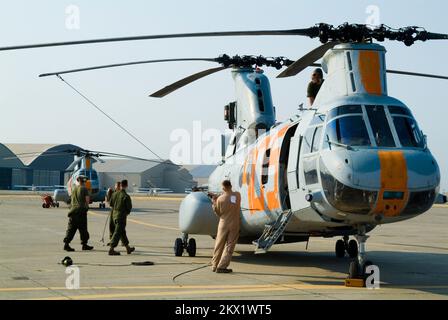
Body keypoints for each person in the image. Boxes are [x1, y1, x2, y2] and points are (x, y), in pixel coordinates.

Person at [210, 180, 241, 273]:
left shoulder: (220, 199)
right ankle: (222, 266)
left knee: (219, 245)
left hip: (223, 224)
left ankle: (214, 265)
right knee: (230, 246)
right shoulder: (237, 195)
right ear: (231, 186)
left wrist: (214, 203)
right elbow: (232, 197)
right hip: (234, 223)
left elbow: (218, 213)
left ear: (223, 188)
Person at [63, 175, 94, 252]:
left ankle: (66, 244)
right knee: (83, 229)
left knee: (71, 229)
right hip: (81, 211)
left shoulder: (74, 188)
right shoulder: (84, 189)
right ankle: (84, 244)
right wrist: (87, 206)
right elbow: (87, 200)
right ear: (84, 181)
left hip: (73, 211)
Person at [109, 179, 135, 256]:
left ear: (120, 185)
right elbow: (129, 208)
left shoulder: (114, 194)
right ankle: (111, 249)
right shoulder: (126, 196)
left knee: (122, 232)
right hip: (121, 217)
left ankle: (128, 248)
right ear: (126, 185)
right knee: (117, 232)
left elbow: (111, 204)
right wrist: (125, 214)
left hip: (114, 216)